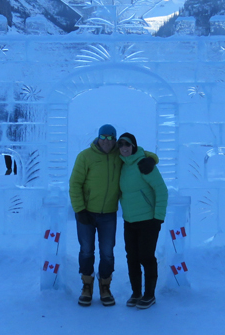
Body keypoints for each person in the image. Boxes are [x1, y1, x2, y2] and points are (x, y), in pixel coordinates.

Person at [68, 124, 158, 307]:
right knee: (86, 251)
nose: (106, 141)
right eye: (103, 137)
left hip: (108, 214)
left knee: (107, 253)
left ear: (115, 140)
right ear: (98, 137)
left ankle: (105, 287)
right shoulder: (85, 156)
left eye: (110, 138)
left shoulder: (120, 156)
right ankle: (86, 286)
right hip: (86, 213)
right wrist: (80, 210)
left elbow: (140, 152)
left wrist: (152, 159)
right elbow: (75, 184)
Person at [117, 132, 168, 309]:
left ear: (134, 146)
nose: (124, 147)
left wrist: (158, 218)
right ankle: (136, 293)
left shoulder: (144, 164)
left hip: (148, 220)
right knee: (132, 258)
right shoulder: (121, 165)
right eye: (121, 144)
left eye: (128, 144)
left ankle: (149, 295)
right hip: (129, 221)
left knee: (146, 257)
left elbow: (161, 191)